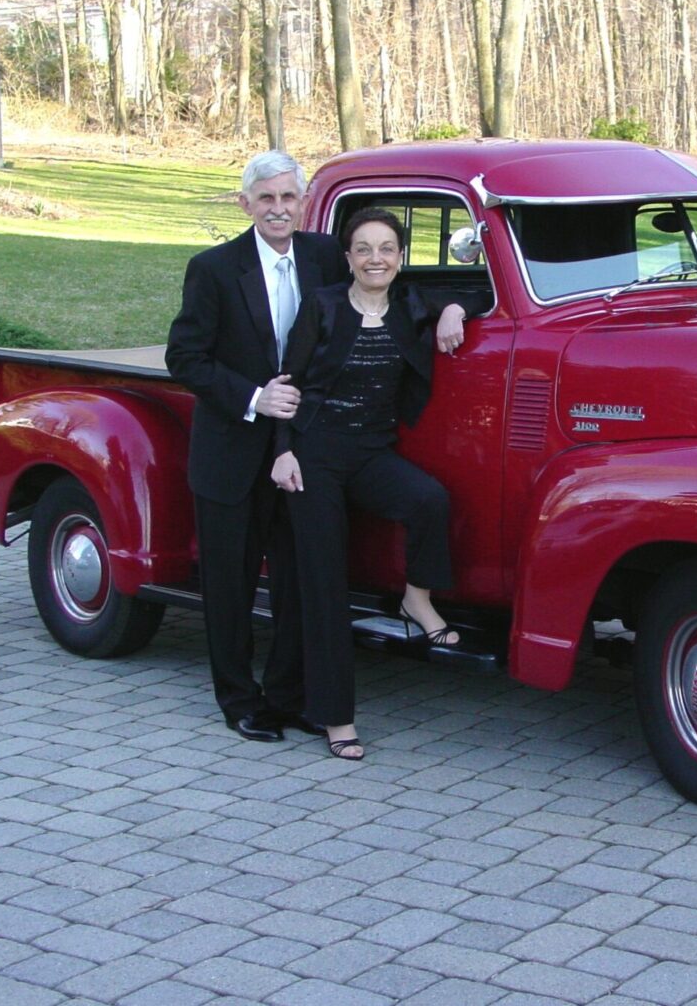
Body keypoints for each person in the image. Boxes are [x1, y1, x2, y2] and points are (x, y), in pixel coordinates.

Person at [271, 207, 489, 759]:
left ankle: (417, 601)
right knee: (325, 583)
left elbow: (479, 296)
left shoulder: (411, 303)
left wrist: (454, 311)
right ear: (347, 257)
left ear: (400, 258)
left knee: (428, 500)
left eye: (387, 248)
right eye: (363, 248)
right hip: (314, 454)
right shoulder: (322, 306)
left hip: (370, 452)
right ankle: (335, 718)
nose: (375, 258)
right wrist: (284, 453)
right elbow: (287, 383)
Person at [165, 150, 348, 742]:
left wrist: (452, 308)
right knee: (231, 584)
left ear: (303, 203)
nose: (278, 209)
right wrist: (252, 397)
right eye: (265, 198)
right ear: (245, 204)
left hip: (302, 451)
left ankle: (289, 695)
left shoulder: (325, 256)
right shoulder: (215, 269)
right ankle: (239, 701)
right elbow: (185, 357)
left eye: (287, 197)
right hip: (231, 451)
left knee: (298, 582)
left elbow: (387, 286)